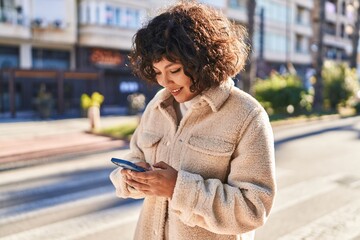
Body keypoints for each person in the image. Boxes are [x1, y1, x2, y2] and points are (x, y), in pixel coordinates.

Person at [110, 2, 276, 240]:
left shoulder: (248, 115)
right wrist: (131, 178)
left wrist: (177, 188)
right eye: (157, 72)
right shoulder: (158, 106)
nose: (165, 82)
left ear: (203, 62)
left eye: (174, 70)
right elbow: (135, 157)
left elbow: (253, 209)